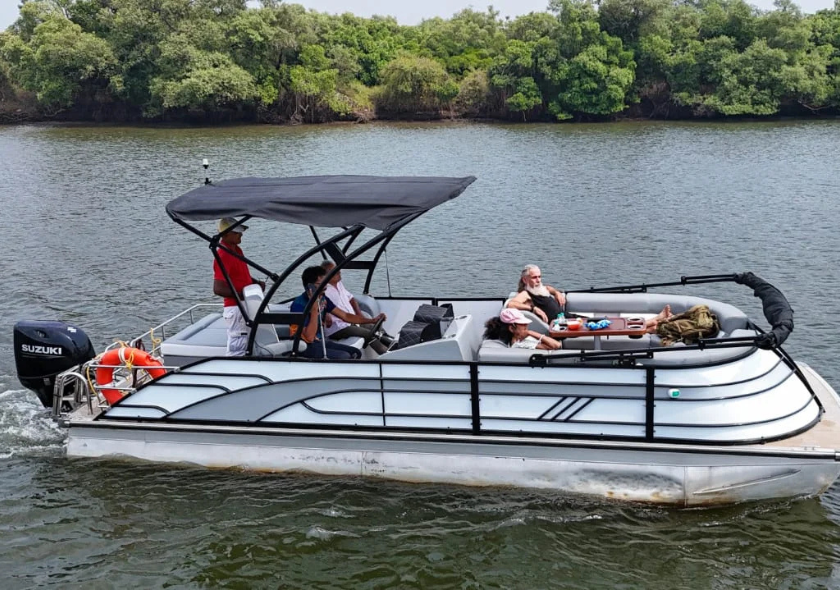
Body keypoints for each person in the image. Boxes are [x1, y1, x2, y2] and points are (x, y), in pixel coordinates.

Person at [290, 266, 381, 359]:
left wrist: (371, 320)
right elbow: (309, 337)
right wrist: (314, 310)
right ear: (310, 286)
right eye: (321, 284)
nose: (325, 287)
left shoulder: (323, 298)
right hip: (305, 345)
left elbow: (345, 316)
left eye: (325, 283)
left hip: (320, 341)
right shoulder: (298, 305)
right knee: (344, 356)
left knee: (356, 352)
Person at [212, 217, 265, 356]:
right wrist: (245, 295)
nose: (241, 234)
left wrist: (255, 283)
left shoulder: (236, 250)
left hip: (245, 304)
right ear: (225, 235)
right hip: (236, 308)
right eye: (237, 232)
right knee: (238, 347)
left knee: (250, 343)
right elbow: (218, 288)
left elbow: (240, 274)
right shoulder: (223, 254)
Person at [320, 260, 392, 354]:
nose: (339, 272)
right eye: (336, 271)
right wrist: (326, 314)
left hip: (351, 321)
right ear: (327, 274)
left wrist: (359, 314)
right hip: (338, 328)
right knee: (368, 334)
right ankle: (387, 355)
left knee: (375, 327)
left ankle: (395, 345)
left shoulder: (339, 284)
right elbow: (321, 305)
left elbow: (351, 299)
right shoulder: (324, 290)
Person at [484, 308, 562, 350]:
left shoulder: (521, 340)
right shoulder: (520, 345)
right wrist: (530, 333)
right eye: (523, 324)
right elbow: (557, 345)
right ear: (512, 328)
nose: (527, 325)